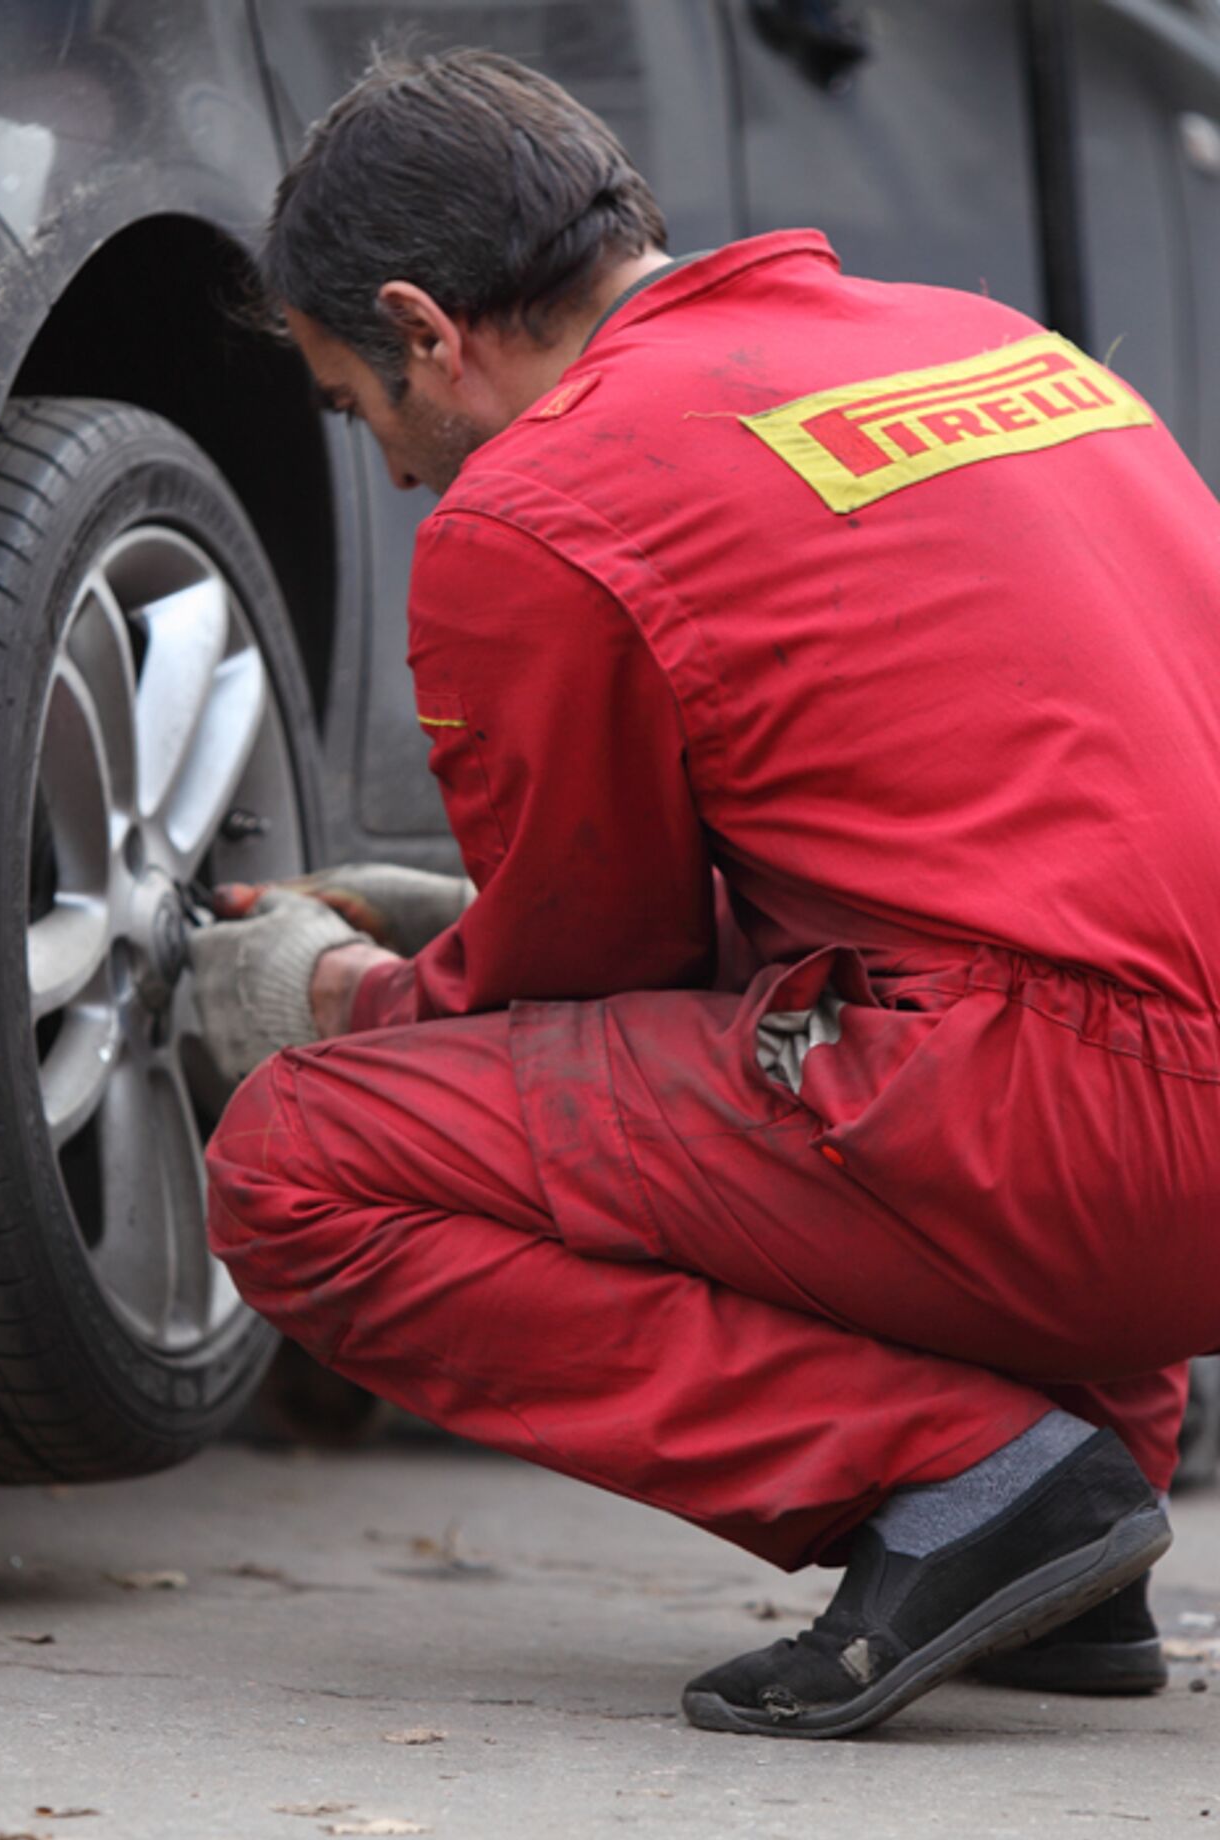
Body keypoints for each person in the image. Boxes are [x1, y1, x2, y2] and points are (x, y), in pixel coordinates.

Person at [190, 46, 1220, 1738]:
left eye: (355, 404)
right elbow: (998, 848)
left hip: (1067, 1143)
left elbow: (598, 969)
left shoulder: (539, 501)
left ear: (425, 329)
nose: (387, 469)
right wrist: (466, 912)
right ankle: (1076, 1543)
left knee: (300, 1163)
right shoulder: (989, 347)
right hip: (1134, 1156)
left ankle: (968, 1483)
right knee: (921, 983)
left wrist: (331, 993)